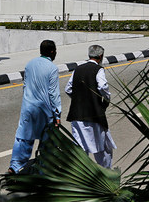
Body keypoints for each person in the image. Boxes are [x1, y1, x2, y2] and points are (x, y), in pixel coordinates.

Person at [8, 39, 62, 174]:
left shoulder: (29, 64)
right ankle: (42, 170)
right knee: (46, 140)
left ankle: (15, 166)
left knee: (24, 137)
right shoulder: (52, 68)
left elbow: (25, 86)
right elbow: (53, 93)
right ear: (52, 52)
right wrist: (57, 114)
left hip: (28, 107)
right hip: (44, 110)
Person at [65, 44, 116, 168]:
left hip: (77, 115)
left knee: (80, 148)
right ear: (100, 56)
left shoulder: (77, 69)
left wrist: (78, 99)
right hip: (94, 114)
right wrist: (106, 100)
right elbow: (102, 86)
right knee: (102, 147)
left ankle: (82, 173)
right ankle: (106, 172)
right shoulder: (98, 70)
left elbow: (68, 89)